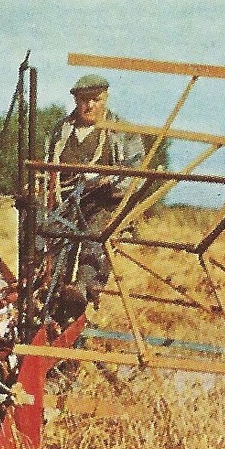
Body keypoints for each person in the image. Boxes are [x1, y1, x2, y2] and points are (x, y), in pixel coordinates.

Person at [35, 74, 145, 325]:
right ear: (75, 100)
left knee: (95, 235)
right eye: (84, 100)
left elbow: (136, 168)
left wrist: (112, 181)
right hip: (66, 198)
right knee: (51, 237)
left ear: (105, 99)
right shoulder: (61, 130)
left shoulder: (123, 131)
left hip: (104, 201)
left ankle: (84, 289)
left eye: (96, 100)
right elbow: (48, 166)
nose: (89, 106)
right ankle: (50, 293)